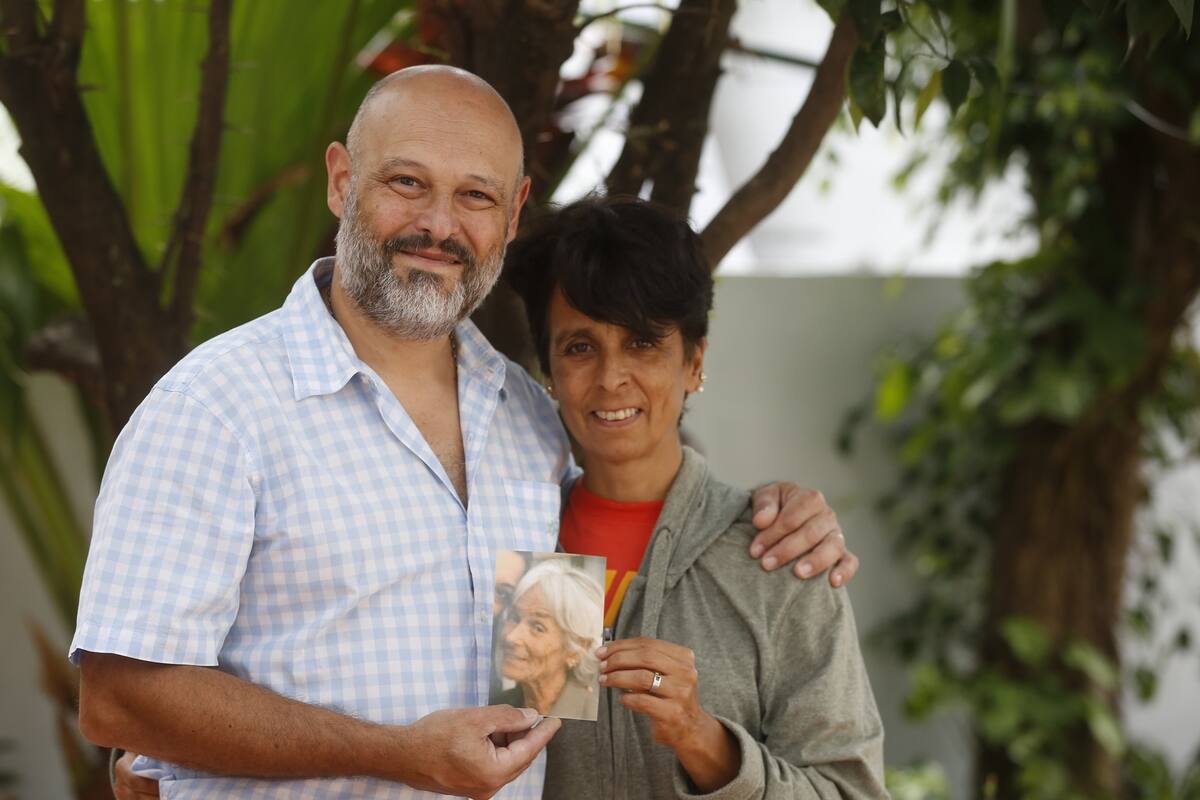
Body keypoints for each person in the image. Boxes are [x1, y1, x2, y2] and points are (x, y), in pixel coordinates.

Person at [85, 65, 860, 800]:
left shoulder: (529, 421)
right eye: (406, 182)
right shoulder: (215, 408)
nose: (438, 225)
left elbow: (553, 698)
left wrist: (772, 511)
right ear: (341, 181)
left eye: (475, 196)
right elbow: (117, 701)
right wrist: (394, 754)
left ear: (514, 211)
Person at [503, 196, 888, 798]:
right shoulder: (516, 553)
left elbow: (851, 790)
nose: (610, 378)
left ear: (694, 361)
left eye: (642, 344)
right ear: (549, 368)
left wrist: (705, 740)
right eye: (580, 347)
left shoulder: (777, 556)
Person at [494, 558, 604, 720]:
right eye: (514, 617)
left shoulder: (595, 713)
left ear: (576, 649)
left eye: (538, 627)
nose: (511, 637)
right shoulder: (498, 706)